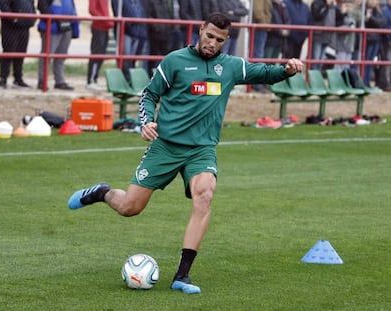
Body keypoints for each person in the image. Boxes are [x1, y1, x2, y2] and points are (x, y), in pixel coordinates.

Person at [67, 12, 303, 294]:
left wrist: (287, 70)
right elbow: (148, 94)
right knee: (130, 208)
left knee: (205, 194)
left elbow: (265, 72)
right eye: (210, 36)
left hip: (201, 149)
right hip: (165, 145)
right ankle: (102, 192)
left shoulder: (231, 67)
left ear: (226, 41)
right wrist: (146, 122)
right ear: (200, 29)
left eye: (219, 40)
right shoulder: (175, 61)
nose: (212, 43)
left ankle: (182, 275)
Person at [37, 0, 79, 91]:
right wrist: (53, 20)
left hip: (67, 26)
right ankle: (42, 80)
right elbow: (42, 6)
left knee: (61, 56)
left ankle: (59, 81)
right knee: (47, 55)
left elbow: (72, 9)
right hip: (52, 28)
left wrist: (75, 27)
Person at [0, 0, 36, 89]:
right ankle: (3, 78)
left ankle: (18, 78)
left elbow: (32, 6)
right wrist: (14, 18)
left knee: (21, 53)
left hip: (25, 27)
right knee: (9, 52)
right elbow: (3, 5)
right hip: (10, 27)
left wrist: (33, 19)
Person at [112, 0, 148, 82]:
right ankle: (124, 79)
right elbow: (117, 12)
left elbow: (141, 12)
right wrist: (128, 26)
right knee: (126, 55)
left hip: (137, 31)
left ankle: (131, 79)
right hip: (125, 31)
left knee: (133, 57)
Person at [86, 0, 114, 91]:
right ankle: (90, 80)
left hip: (105, 27)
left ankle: (95, 78)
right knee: (96, 54)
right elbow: (92, 10)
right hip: (98, 27)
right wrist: (104, 20)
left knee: (101, 54)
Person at [362, 0, 386, 86]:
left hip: (376, 39)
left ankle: (367, 82)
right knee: (366, 61)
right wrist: (373, 20)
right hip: (368, 39)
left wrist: (371, 18)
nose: (373, 2)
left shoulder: (377, 10)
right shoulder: (364, 9)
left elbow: (382, 22)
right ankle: (364, 81)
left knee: (371, 62)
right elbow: (367, 22)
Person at [310, 0, 338, 70]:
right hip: (318, 35)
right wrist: (326, 6)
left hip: (327, 36)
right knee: (315, 59)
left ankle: (318, 77)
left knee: (321, 60)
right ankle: (313, 78)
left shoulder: (333, 6)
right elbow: (318, 16)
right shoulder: (317, 3)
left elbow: (338, 18)